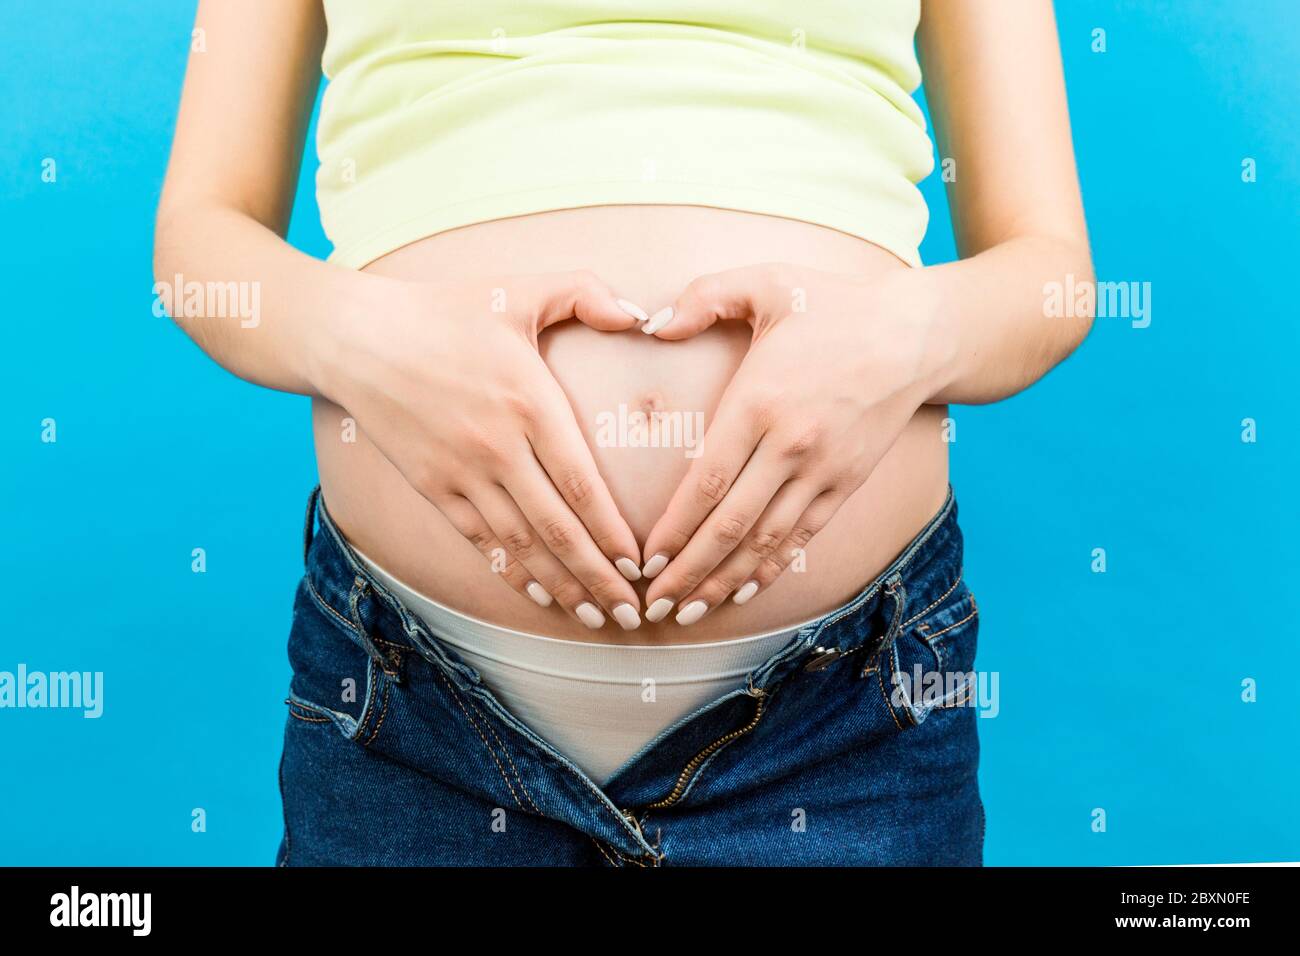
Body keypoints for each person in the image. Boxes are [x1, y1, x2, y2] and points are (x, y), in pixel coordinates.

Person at [155, 0, 1093, 865]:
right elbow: (200, 235)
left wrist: (901, 339)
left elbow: (1052, 274)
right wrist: (369, 341)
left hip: (839, 723)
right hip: (414, 718)